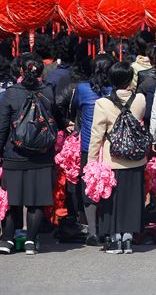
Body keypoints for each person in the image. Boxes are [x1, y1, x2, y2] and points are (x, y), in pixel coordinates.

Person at [0, 53, 61, 255]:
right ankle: (30, 241)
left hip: (14, 154)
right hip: (41, 155)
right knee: (35, 201)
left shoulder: (11, 94)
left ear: (20, 70)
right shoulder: (48, 92)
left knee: (12, 201)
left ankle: (7, 240)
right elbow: (58, 121)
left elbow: (2, 127)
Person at [88, 61, 146, 254]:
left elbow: (97, 136)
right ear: (130, 79)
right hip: (135, 158)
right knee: (132, 200)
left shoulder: (102, 104)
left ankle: (115, 240)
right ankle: (128, 238)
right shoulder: (140, 100)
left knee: (111, 201)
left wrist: (91, 162)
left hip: (112, 160)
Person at [72, 54, 115, 246]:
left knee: (89, 187)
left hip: (88, 145)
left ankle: (92, 231)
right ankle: (107, 228)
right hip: (109, 146)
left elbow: (74, 111)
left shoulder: (82, 89)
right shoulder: (115, 89)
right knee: (108, 187)